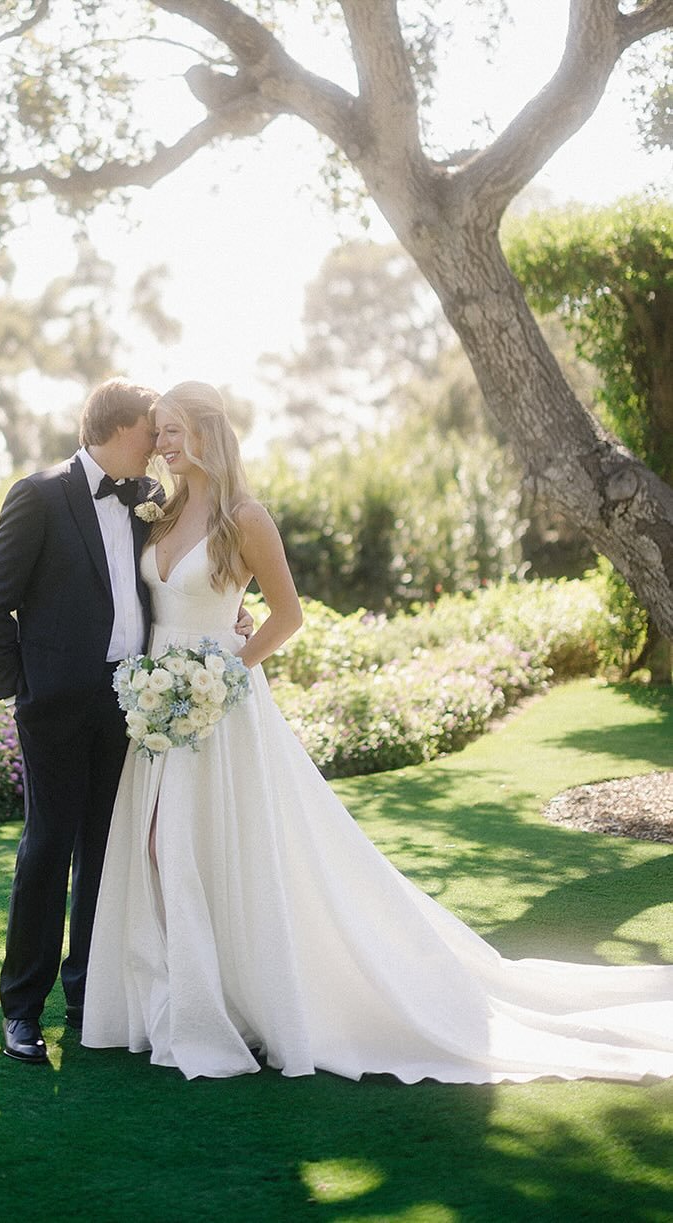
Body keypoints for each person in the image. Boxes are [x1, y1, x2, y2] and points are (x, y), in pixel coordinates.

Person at [82, 380, 673, 1083]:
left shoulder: (245, 517)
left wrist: (220, 671)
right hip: (161, 711)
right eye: (158, 432)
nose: (162, 444)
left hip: (219, 703)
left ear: (207, 430)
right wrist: (164, 682)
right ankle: (181, 999)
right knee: (160, 845)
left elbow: (286, 616)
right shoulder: (160, 510)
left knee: (208, 844)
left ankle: (221, 1008)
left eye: (173, 429)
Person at [0, 377, 251, 1064]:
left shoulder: (145, 505)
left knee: (107, 852)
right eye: (150, 433)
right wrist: (23, 691)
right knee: (47, 849)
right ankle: (21, 1009)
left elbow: (175, 578)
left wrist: (230, 614)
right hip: (55, 705)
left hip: (131, 704)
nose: (158, 448)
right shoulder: (36, 495)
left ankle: (89, 993)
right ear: (120, 429)